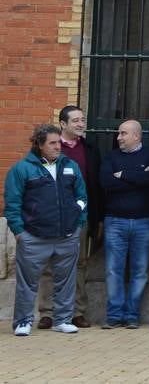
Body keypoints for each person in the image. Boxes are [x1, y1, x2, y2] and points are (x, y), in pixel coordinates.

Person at [5, 123, 87, 336]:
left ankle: (62, 319)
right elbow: (13, 203)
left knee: (66, 281)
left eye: (58, 142)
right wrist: (19, 232)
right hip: (33, 237)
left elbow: (82, 196)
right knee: (27, 283)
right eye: (52, 143)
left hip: (67, 235)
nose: (58, 147)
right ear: (39, 145)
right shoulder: (22, 169)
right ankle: (23, 321)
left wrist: (78, 221)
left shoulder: (71, 166)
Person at [35, 105, 101, 330]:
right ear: (63, 124)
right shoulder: (48, 149)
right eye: (76, 120)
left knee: (79, 263)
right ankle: (47, 312)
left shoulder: (90, 150)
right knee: (48, 264)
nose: (81, 124)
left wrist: (95, 218)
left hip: (78, 217)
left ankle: (77, 312)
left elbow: (95, 187)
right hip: (49, 217)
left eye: (83, 119)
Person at [99, 118, 149, 329]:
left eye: (123, 133)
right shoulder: (111, 156)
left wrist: (123, 175)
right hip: (115, 221)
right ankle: (114, 316)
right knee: (113, 270)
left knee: (139, 271)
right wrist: (137, 178)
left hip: (144, 222)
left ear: (136, 136)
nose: (119, 137)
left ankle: (132, 315)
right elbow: (106, 182)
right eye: (119, 133)